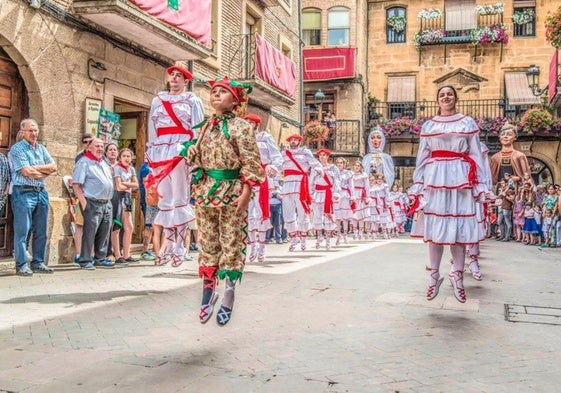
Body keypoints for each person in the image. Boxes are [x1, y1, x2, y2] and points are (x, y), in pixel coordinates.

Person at [187, 76, 265, 326]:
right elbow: (198, 155)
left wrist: (246, 192)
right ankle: (208, 291)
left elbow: (251, 162)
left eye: (222, 92)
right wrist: (192, 153)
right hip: (205, 191)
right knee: (207, 241)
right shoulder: (205, 126)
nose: (216, 95)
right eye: (213, 92)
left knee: (230, 241)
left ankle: (229, 293)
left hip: (232, 191)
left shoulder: (241, 127)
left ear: (235, 100)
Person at [408, 85, 489, 303]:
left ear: (455, 98)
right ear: (437, 100)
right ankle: (434, 277)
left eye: (450, 94)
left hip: (460, 176)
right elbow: (422, 156)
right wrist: (418, 182)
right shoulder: (429, 125)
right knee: (435, 229)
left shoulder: (467, 122)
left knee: (459, 231)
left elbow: (475, 154)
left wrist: (481, 184)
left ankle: (458, 276)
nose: (446, 97)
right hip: (435, 177)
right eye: (442, 94)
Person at [145, 63, 205, 267]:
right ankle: (168, 245)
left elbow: (197, 129)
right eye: (172, 75)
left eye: (179, 76)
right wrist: (150, 149)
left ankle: (180, 246)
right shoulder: (157, 100)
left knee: (180, 198)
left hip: (180, 148)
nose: (175, 78)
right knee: (165, 199)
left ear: (186, 81)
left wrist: (194, 152)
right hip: (160, 150)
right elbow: (152, 128)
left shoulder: (192, 100)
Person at [8, 119, 57, 276]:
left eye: (35, 130)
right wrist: (43, 172)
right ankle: (22, 264)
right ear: (22, 132)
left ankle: (38, 262)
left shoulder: (41, 149)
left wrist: (36, 169)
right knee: (23, 230)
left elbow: (54, 167)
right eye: (30, 130)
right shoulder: (17, 149)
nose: (34, 133)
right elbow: (26, 172)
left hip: (41, 192)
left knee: (41, 230)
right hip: (23, 192)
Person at [72, 138, 115, 269]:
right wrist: (84, 203)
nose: (100, 149)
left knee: (104, 232)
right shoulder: (84, 162)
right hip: (92, 201)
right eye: (97, 146)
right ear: (89, 147)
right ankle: (85, 260)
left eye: (102, 146)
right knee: (90, 232)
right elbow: (76, 185)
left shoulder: (103, 162)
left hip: (106, 202)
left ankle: (100, 258)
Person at [244, 113, 282, 263]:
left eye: (250, 122)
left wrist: (274, 166)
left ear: (256, 124)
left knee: (261, 211)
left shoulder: (265, 137)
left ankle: (262, 247)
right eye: (246, 122)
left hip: (262, 175)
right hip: (247, 176)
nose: (247, 124)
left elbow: (276, 156)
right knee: (249, 213)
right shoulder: (242, 138)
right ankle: (252, 245)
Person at [281, 133, 322, 252]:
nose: (293, 142)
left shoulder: (305, 152)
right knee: (288, 212)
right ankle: (294, 237)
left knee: (302, 211)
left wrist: (319, 169)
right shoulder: (284, 153)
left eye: (295, 140)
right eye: (291, 140)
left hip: (300, 183)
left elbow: (314, 163)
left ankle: (303, 239)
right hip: (287, 183)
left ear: (299, 141)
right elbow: (279, 166)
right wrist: (272, 171)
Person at [310, 148, 340, 250]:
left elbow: (337, 181)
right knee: (317, 216)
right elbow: (311, 181)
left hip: (328, 193)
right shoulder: (315, 168)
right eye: (320, 155)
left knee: (328, 216)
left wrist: (336, 193)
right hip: (317, 193)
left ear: (327, 157)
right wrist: (310, 193)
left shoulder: (333, 168)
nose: (322, 157)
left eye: (324, 155)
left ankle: (328, 240)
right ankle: (319, 237)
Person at [112, 148, 139, 264]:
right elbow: (118, 187)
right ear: (120, 157)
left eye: (129, 156)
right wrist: (129, 185)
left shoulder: (131, 169)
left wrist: (125, 184)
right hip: (117, 197)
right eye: (124, 156)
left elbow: (136, 184)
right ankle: (117, 255)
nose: (126, 158)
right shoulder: (117, 168)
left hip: (127, 197)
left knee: (129, 227)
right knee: (117, 227)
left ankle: (126, 254)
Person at [138, 161, 157, 261]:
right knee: (149, 226)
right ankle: (145, 251)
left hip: (156, 200)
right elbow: (147, 185)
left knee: (155, 226)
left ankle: (155, 250)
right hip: (149, 201)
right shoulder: (146, 167)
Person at [334, 157, 353, 245]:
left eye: (341, 163)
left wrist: (352, 196)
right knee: (337, 216)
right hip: (336, 195)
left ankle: (345, 234)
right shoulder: (333, 173)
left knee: (345, 217)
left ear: (344, 164)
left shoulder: (348, 174)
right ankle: (338, 235)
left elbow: (351, 185)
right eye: (338, 163)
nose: (339, 164)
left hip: (345, 195)